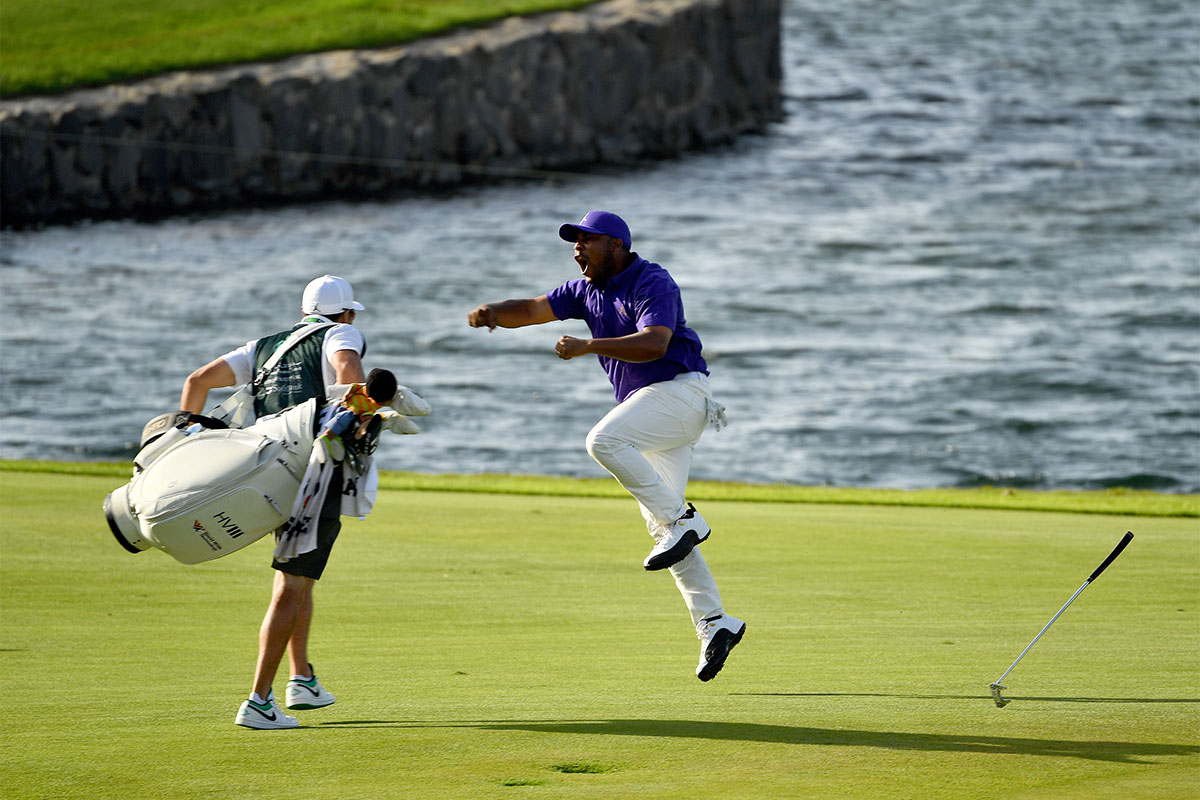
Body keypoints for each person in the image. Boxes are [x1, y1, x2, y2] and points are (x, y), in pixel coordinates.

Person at [467, 210, 745, 681]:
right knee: (663, 529)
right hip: (653, 409)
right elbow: (533, 309)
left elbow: (656, 344)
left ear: (616, 244)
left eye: (586, 241)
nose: (577, 248)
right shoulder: (584, 290)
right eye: (573, 241)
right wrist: (494, 312)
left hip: (681, 393)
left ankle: (686, 519)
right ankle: (715, 622)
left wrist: (588, 346)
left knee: (604, 440)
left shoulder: (652, 280)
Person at [180, 274, 369, 729]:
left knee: (298, 577)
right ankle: (258, 701)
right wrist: (359, 416)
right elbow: (348, 371)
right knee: (290, 584)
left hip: (269, 477)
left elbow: (198, 380)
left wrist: (185, 437)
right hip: (315, 474)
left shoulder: (264, 346)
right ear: (345, 313)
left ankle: (301, 677)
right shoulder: (341, 332)